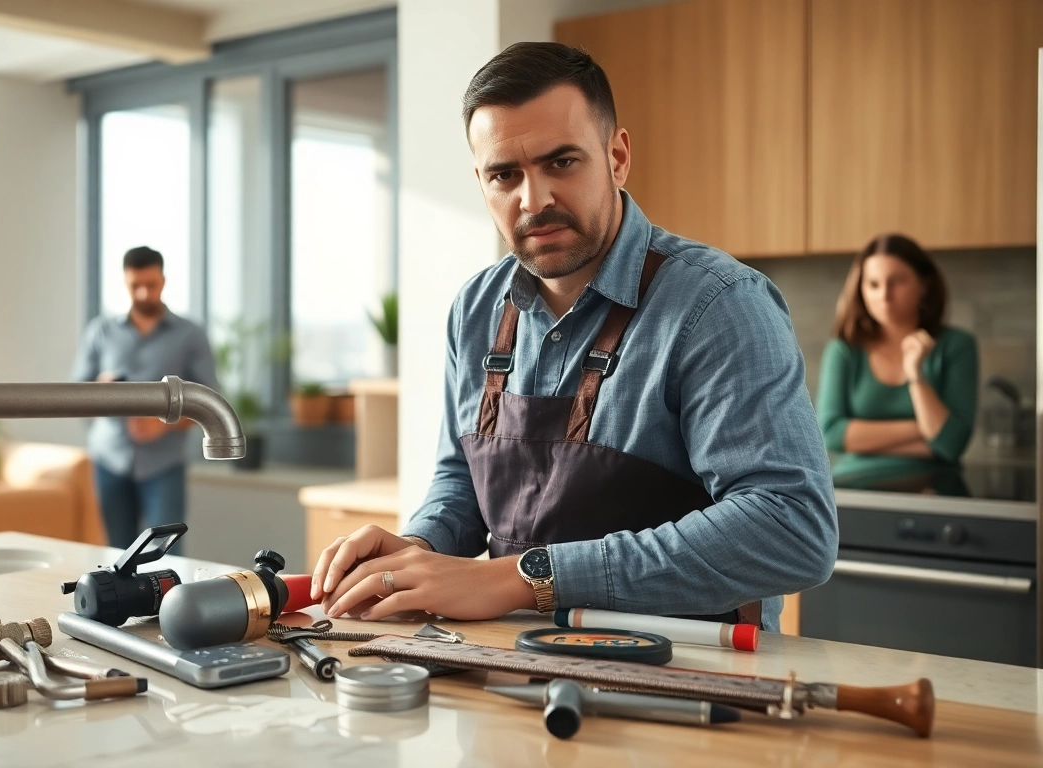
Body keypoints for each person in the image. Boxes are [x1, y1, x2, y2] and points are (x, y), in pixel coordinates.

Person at [309, 43, 837, 632]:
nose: (534, 200)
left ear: (617, 157)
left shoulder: (720, 305)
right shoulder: (475, 308)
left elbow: (792, 528)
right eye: (504, 175)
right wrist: (419, 549)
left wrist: (522, 578)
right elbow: (462, 479)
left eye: (561, 162)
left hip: (687, 669)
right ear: (481, 182)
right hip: (514, 661)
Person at [71, 246, 219, 549]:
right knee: (117, 555)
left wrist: (164, 425)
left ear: (163, 281)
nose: (142, 293)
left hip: (163, 464)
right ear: (125, 282)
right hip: (109, 460)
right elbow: (73, 394)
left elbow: (209, 402)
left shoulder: (190, 335)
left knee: (167, 552)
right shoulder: (101, 331)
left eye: (150, 285)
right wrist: (99, 388)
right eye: (134, 285)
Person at [816, 234, 978, 464]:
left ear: (924, 285)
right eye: (873, 284)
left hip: (936, 483)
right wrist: (923, 428)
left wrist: (916, 375)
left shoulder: (957, 346)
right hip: (854, 482)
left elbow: (952, 444)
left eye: (897, 282)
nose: (884, 295)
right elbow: (831, 434)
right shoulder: (843, 350)